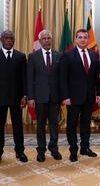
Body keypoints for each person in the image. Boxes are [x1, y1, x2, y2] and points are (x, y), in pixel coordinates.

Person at [60, 28, 100, 162]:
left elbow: (97, 76)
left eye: (85, 37)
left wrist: (99, 92)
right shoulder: (67, 55)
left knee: (86, 124)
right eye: (80, 37)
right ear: (76, 39)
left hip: (89, 96)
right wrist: (65, 96)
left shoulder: (94, 55)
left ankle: (85, 148)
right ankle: (73, 150)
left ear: (88, 39)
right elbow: (63, 78)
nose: (83, 39)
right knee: (72, 124)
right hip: (72, 98)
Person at [27, 30, 62, 162]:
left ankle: (54, 149)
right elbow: (30, 79)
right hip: (40, 98)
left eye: (49, 38)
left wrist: (63, 96)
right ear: (40, 40)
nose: (47, 40)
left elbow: (61, 78)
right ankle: (41, 150)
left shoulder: (59, 55)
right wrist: (31, 97)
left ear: (51, 40)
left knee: (54, 125)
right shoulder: (33, 56)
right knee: (40, 126)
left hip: (55, 98)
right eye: (44, 38)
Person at [0, 30, 28, 162]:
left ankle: (20, 151)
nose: (9, 40)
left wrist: (25, 95)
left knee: (18, 126)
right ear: (1, 40)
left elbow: (24, 78)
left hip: (17, 98)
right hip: (0, 98)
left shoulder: (21, 56)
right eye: (6, 38)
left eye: (11, 38)